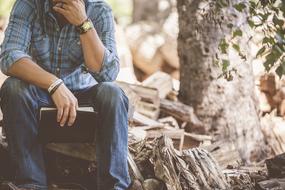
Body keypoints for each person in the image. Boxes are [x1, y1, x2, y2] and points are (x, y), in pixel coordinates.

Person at [0, 0, 132, 189]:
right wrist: (54, 84)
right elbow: (9, 57)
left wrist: (83, 23)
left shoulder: (99, 9)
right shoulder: (28, 5)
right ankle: (31, 184)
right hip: (39, 96)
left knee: (113, 93)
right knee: (13, 88)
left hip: (84, 98)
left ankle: (115, 186)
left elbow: (107, 73)